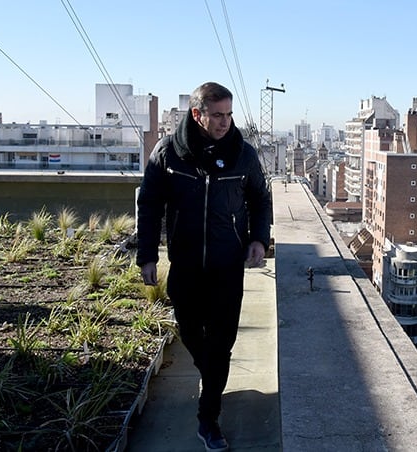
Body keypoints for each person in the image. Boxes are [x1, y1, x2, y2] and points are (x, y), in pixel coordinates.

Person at [135, 81, 271, 451]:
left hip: (228, 267)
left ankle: (208, 418)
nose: (225, 122)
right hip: (187, 265)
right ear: (197, 114)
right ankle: (212, 376)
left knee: (222, 343)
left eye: (228, 114)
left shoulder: (244, 155)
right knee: (193, 335)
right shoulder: (168, 154)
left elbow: (260, 199)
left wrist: (259, 239)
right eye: (217, 115)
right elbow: (148, 206)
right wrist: (147, 255)